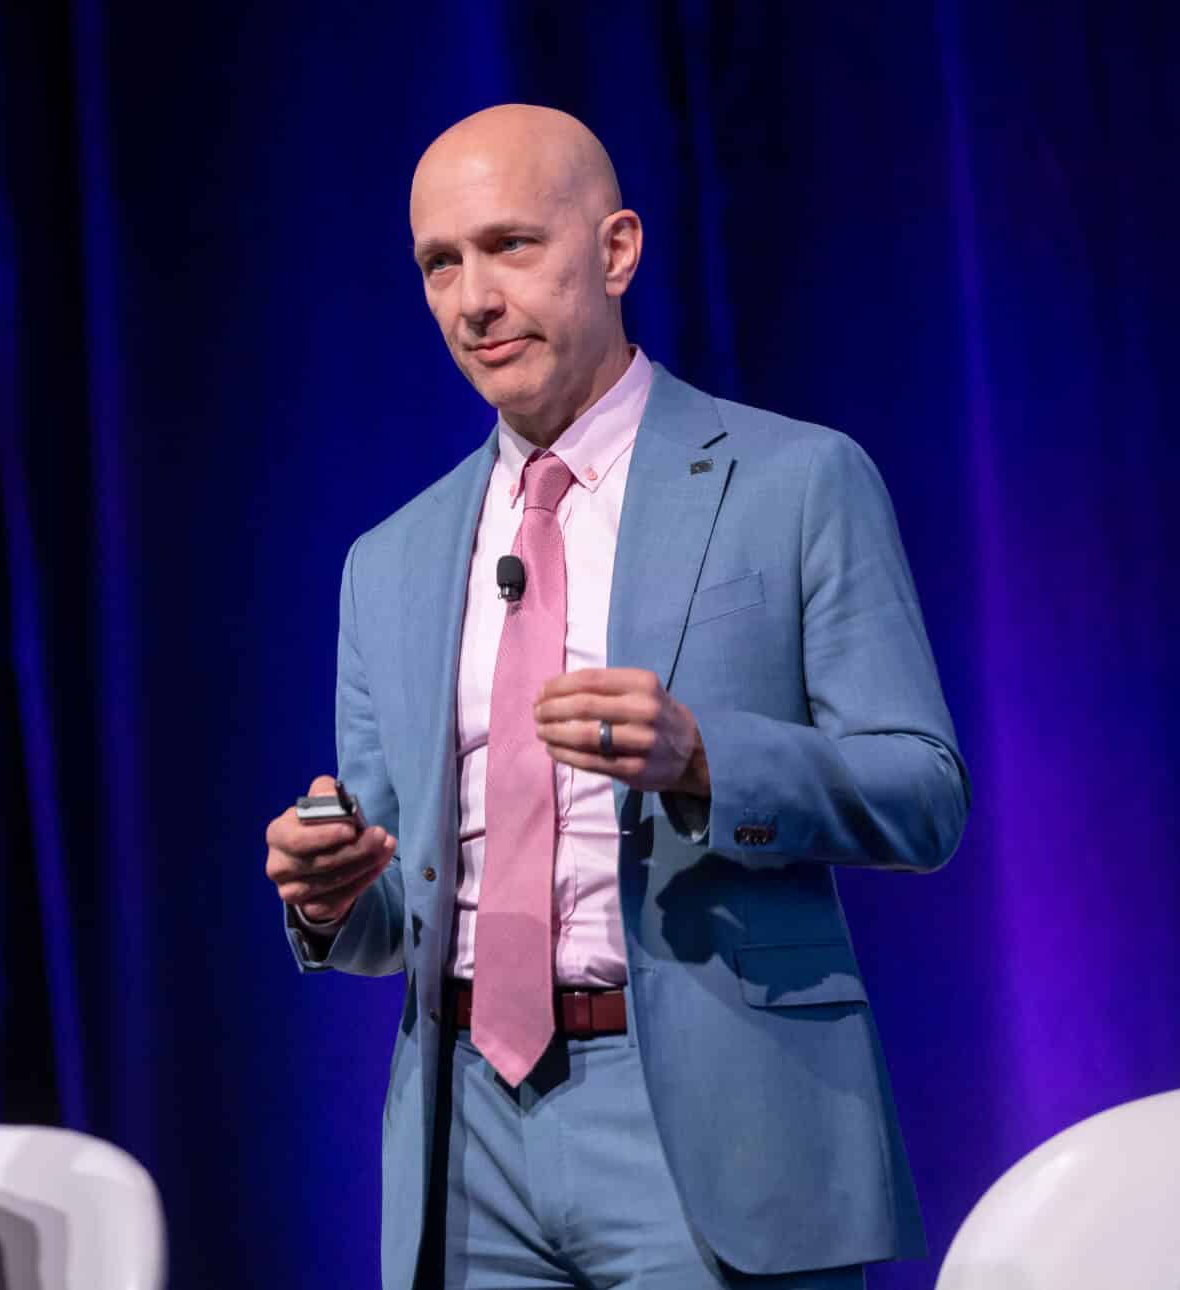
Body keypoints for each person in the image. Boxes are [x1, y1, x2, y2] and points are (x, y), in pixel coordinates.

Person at [264, 105, 969, 1290]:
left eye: (510, 246)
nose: (473, 298)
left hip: (712, 1118)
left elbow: (924, 792)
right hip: (466, 1138)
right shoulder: (386, 559)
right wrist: (334, 898)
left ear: (617, 250)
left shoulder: (794, 480)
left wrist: (708, 761)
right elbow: (399, 908)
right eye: (440, 263)